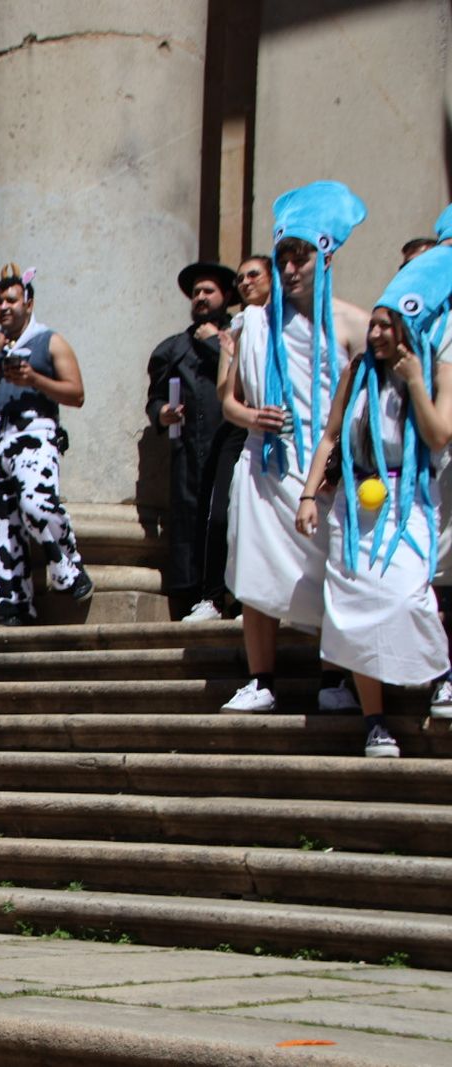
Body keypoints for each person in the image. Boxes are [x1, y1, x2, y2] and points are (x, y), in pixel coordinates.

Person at [217, 180, 370, 714]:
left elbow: (360, 405)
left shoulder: (354, 322)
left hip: (325, 467)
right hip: (266, 462)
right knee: (257, 573)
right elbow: (229, 400)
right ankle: (261, 679)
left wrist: (340, 461)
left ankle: (336, 677)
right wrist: (250, 415)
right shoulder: (254, 322)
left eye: (300, 258)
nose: (290, 269)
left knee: (331, 568)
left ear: (323, 256)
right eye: (283, 258)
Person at [295, 246, 452, 755]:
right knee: (355, 609)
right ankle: (375, 721)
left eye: (389, 325)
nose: (378, 332)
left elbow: (437, 436)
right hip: (354, 507)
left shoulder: (437, 370)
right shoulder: (355, 372)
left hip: (409, 502)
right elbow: (329, 436)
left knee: (410, 595)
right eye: (375, 324)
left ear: (411, 328)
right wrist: (309, 494)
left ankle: (440, 672)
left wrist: (414, 383)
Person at [0, 264, 93, 626]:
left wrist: (33, 377)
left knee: (36, 503)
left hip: (34, 430)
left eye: (12, 300)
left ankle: (68, 565)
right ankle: (11, 598)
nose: (4, 307)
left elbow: (76, 394)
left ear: (28, 304)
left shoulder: (50, 340)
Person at [146, 262, 238, 621]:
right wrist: (162, 412)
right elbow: (154, 398)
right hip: (188, 449)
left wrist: (216, 343)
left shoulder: (240, 337)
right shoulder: (173, 349)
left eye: (208, 291)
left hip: (229, 443)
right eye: (196, 292)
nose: (200, 298)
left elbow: (244, 374)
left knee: (225, 518)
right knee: (189, 520)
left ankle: (228, 595)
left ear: (225, 296)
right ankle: (193, 595)